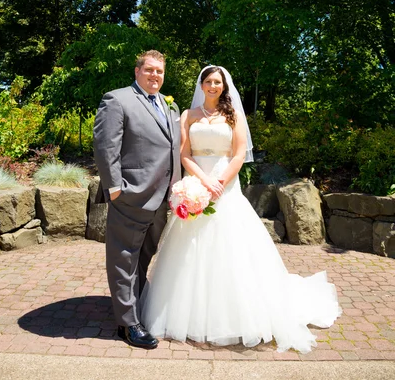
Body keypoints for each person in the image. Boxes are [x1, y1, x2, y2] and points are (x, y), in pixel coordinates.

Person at [140, 65, 341, 353]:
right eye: (208, 81)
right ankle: (190, 313)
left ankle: (237, 314)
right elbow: (184, 154)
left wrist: (218, 181)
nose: (212, 86)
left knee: (230, 246)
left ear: (223, 86)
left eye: (217, 82)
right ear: (201, 84)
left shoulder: (232, 115)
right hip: (197, 181)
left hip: (225, 185)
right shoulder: (188, 115)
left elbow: (238, 154)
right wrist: (202, 181)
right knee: (191, 248)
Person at [93, 50, 181, 349]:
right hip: (131, 195)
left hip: (161, 197)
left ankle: (134, 311)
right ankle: (128, 325)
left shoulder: (169, 106)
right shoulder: (117, 100)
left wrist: (177, 189)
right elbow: (106, 146)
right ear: (137, 71)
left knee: (143, 257)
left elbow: (171, 149)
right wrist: (115, 188)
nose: (155, 75)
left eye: (160, 71)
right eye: (150, 70)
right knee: (123, 259)